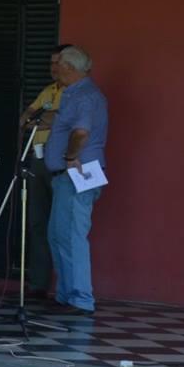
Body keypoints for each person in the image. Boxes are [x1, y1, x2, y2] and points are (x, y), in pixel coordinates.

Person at [45, 44, 109, 317]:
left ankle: (81, 299)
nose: (55, 68)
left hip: (77, 173)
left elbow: (80, 132)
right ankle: (66, 293)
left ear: (69, 68)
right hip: (66, 177)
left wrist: (70, 156)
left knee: (72, 236)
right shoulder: (74, 94)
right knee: (58, 235)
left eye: (59, 64)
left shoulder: (84, 96)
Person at [20, 43, 69, 298]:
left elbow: (57, 119)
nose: (53, 68)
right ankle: (38, 283)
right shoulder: (48, 91)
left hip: (62, 162)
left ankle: (66, 290)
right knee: (37, 222)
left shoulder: (76, 93)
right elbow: (26, 117)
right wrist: (39, 120)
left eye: (58, 63)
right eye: (51, 63)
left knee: (62, 226)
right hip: (38, 159)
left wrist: (41, 120)